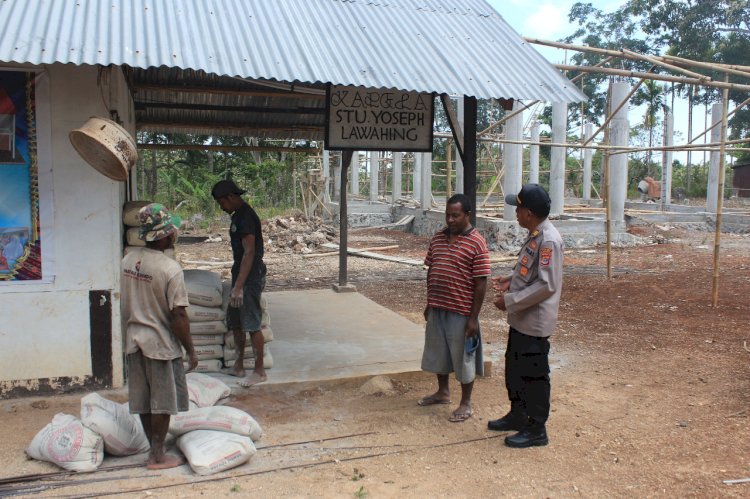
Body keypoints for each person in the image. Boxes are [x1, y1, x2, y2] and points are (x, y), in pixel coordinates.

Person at [121, 203, 197, 469]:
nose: (173, 234)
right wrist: (191, 349)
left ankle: (154, 448)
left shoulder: (128, 261)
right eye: (171, 230)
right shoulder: (170, 268)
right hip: (160, 344)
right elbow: (178, 316)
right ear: (164, 235)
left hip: (134, 340)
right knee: (163, 403)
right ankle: (157, 455)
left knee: (143, 400)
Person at [489, 184, 563, 448]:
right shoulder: (535, 234)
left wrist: (509, 301)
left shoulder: (549, 241)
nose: (515, 213)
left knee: (534, 375)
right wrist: (511, 279)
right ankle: (518, 414)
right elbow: (531, 272)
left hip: (534, 322)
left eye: (518, 208)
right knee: (515, 369)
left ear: (528, 212)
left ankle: (536, 428)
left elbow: (547, 285)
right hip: (522, 320)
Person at [418, 193, 490, 422]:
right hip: (438, 306)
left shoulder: (477, 242)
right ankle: (443, 392)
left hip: (461, 311)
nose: (450, 220)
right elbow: (432, 269)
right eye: (447, 215)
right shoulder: (438, 238)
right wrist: (430, 301)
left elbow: (481, 282)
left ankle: (466, 402)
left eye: (455, 216)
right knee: (438, 353)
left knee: (463, 358)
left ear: (467, 215)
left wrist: (473, 318)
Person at [211, 179, 267, 387]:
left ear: (231, 197)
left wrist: (239, 287)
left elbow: (249, 252)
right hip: (241, 274)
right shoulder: (238, 216)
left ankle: (259, 371)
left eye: (221, 202)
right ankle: (239, 365)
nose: (221, 206)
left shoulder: (246, 218)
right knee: (235, 322)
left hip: (250, 277)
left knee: (252, 323)